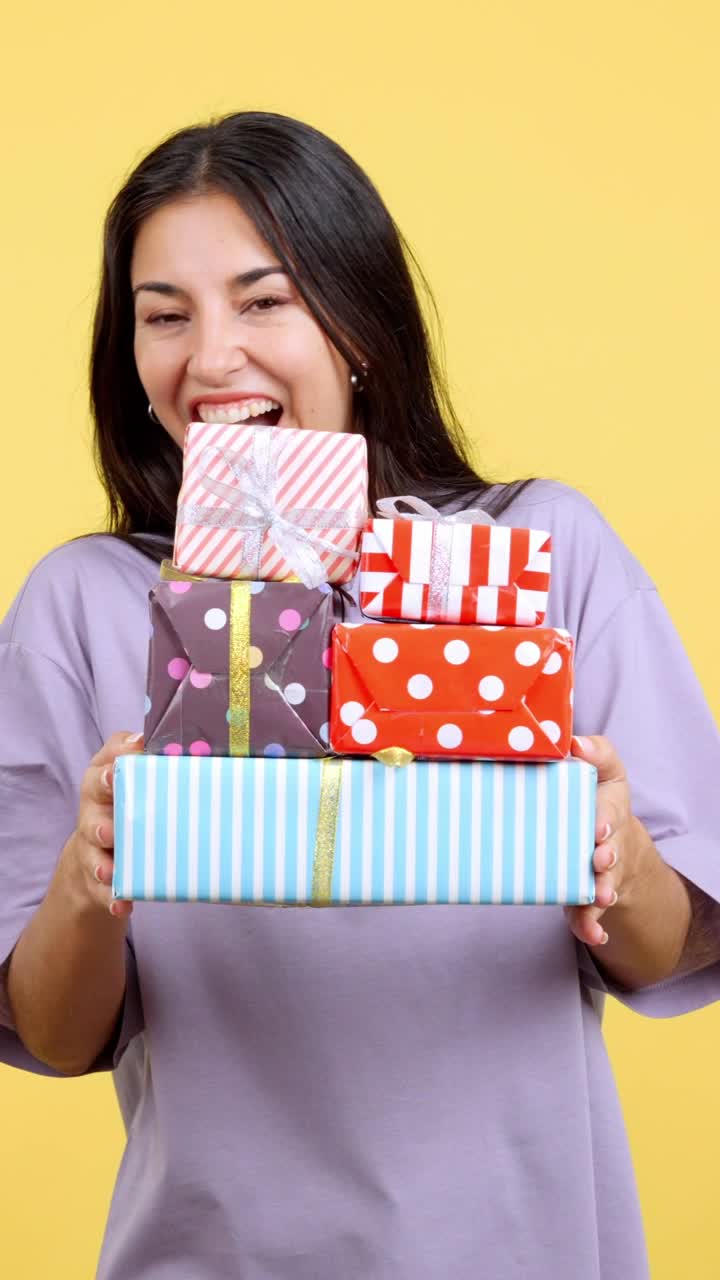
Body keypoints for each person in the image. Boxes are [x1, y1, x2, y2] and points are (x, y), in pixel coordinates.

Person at [1, 111, 718, 1280]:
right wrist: (93, 870)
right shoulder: (85, 602)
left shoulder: (539, 551)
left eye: (264, 299)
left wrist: (617, 854)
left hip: (524, 1247)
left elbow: (668, 949)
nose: (213, 357)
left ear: (357, 324)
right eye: (164, 315)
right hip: (209, 1252)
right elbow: (51, 1028)